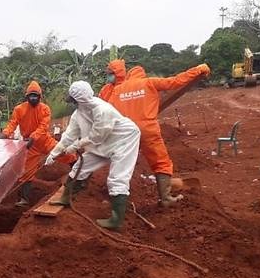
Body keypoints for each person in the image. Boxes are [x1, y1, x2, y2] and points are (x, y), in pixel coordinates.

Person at [107, 63, 210, 206]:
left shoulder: (117, 90)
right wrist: (198, 70)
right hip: (148, 129)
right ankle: (166, 198)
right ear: (142, 74)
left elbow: (108, 111)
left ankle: (117, 199)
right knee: (161, 163)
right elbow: (176, 81)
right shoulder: (150, 82)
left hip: (127, 131)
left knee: (122, 163)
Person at [44, 81, 141, 230]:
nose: (73, 103)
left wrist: (75, 146)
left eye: (74, 100)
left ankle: (116, 221)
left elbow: (97, 137)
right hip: (103, 142)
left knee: (117, 178)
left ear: (80, 99)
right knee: (79, 168)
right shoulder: (78, 114)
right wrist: (53, 153)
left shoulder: (103, 110)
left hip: (124, 140)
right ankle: (65, 198)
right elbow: (69, 135)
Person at [0, 81, 76, 207]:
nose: (33, 98)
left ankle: (77, 172)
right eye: (31, 96)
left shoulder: (45, 109)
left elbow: (43, 126)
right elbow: (12, 124)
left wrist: (33, 137)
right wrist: (5, 134)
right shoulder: (19, 109)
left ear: (40, 97)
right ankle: (24, 199)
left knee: (64, 153)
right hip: (30, 145)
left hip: (44, 140)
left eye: (36, 96)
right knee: (27, 172)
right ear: (27, 97)